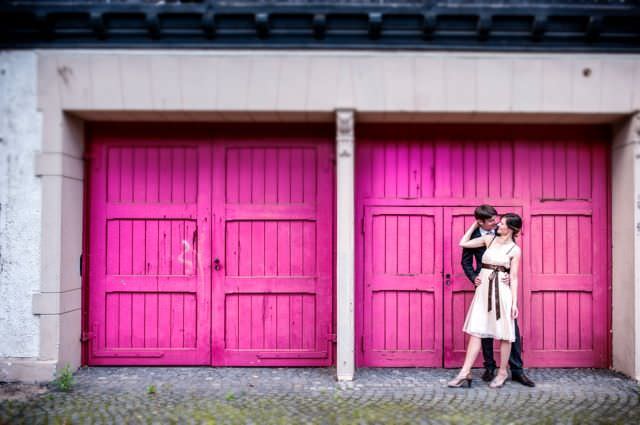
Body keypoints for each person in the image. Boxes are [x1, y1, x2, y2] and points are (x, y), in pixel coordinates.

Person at [448, 211, 528, 389]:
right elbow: (463, 243)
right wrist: (476, 224)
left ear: (511, 229)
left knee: (505, 334)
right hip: (483, 292)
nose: (497, 225)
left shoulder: (515, 250)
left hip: (502, 292)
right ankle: (464, 372)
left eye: (502, 223)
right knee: (477, 331)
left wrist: (515, 303)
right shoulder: (488, 239)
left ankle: (502, 372)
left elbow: (513, 277)